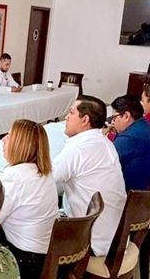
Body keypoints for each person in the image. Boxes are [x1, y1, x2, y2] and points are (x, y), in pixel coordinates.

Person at [52, 96, 126, 257]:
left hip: (91, 240)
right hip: (114, 234)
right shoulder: (104, 142)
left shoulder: (79, 149)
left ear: (85, 119)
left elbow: (46, 178)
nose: (66, 117)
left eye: (71, 112)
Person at [0, 119, 58, 279]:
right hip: (47, 257)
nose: (3, 140)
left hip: (28, 266)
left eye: (9, 136)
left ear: (20, 145)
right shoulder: (44, 171)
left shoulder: (16, 177)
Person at [109, 95, 150, 191]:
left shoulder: (129, 138)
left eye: (114, 118)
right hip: (148, 188)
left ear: (126, 116)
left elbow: (105, 161)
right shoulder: (145, 126)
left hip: (132, 192)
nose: (112, 122)